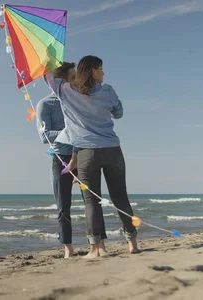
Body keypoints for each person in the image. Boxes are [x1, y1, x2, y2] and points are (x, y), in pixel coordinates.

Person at [44, 55, 139, 258]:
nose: (103, 73)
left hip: (87, 153)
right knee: (120, 197)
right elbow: (119, 113)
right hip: (112, 150)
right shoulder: (108, 90)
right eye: (101, 69)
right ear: (94, 71)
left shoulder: (66, 91)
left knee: (91, 202)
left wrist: (47, 56)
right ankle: (132, 243)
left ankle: (96, 249)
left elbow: (49, 76)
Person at [35, 62, 107, 259]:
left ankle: (100, 243)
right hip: (61, 159)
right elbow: (45, 136)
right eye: (73, 75)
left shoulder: (78, 99)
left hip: (83, 154)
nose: (77, 79)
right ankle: (68, 248)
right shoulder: (45, 104)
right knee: (63, 204)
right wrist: (71, 133)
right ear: (62, 79)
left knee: (92, 201)